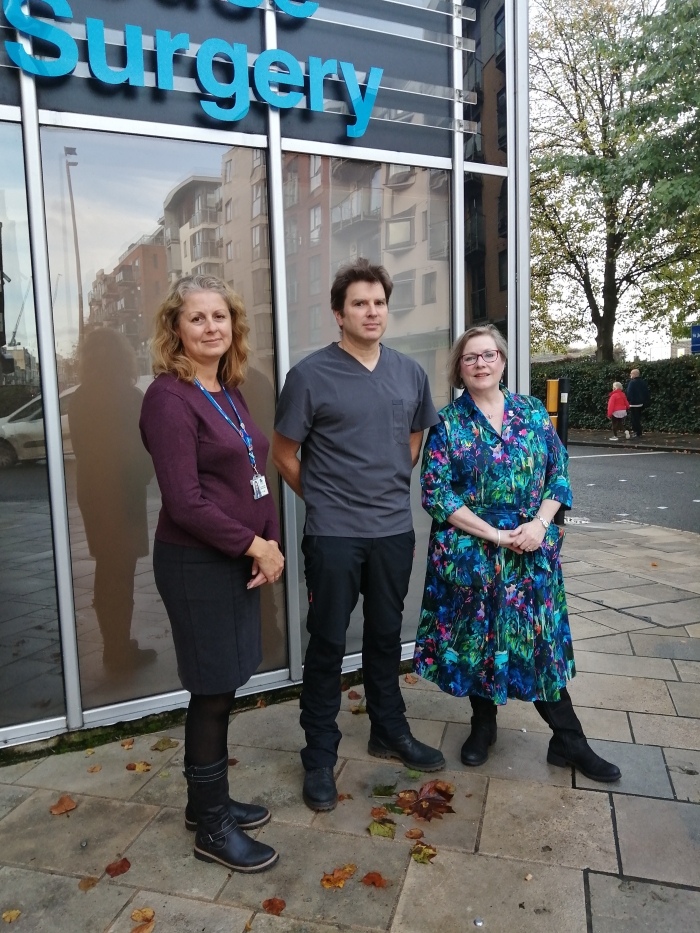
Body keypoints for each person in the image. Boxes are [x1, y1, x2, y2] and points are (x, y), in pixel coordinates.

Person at [272, 258, 445, 813]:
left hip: (394, 532)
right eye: (359, 304)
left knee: (386, 637)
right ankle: (319, 753)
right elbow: (282, 454)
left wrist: (393, 477)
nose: (371, 312)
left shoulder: (408, 372)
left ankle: (387, 730)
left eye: (378, 303)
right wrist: (324, 498)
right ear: (338, 314)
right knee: (326, 643)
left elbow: (416, 434)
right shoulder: (309, 376)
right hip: (334, 535)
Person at [413, 324, 621, 783]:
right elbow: (437, 493)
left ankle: (569, 739)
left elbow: (558, 474)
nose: (481, 364)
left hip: (531, 551)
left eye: (489, 355)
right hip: (473, 553)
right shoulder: (447, 423)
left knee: (537, 644)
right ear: (459, 369)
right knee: (480, 641)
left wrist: (540, 523)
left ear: (503, 362)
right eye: (471, 358)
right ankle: (483, 724)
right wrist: (496, 535)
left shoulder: (530, 411)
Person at [140, 274, 284, 873]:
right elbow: (185, 500)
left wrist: (268, 539)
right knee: (213, 690)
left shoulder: (228, 387)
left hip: (236, 555)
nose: (211, 328)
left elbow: (257, 470)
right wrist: (255, 543)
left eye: (219, 317)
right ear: (176, 328)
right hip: (197, 563)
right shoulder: (167, 398)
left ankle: (209, 804)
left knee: (225, 681)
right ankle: (211, 829)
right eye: (197, 318)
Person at [69, 329, 156, 672]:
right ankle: (120, 651)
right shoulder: (130, 396)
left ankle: (114, 645)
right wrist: (144, 476)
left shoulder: (80, 398)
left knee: (107, 570)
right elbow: (142, 451)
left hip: (93, 493)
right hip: (123, 496)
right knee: (122, 574)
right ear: (123, 357)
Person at [626, 368, 650, 437]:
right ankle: (639, 432)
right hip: (641, 403)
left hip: (633, 404)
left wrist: (629, 401)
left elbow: (629, 393)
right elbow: (646, 393)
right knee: (638, 418)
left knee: (634, 419)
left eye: (631, 373)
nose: (630, 375)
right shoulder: (643, 382)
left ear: (634, 374)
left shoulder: (632, 382)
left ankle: (637, 432)